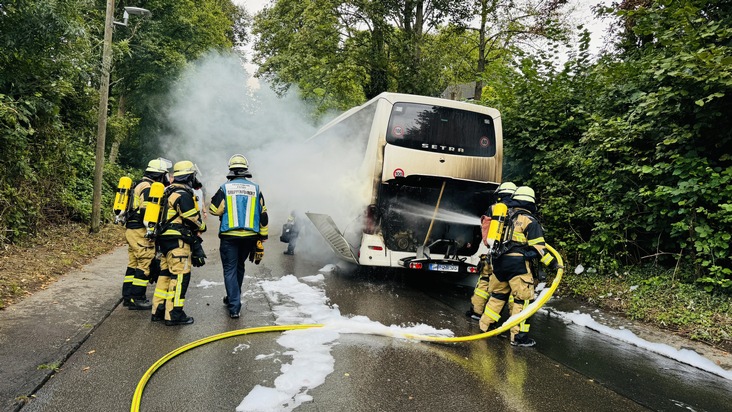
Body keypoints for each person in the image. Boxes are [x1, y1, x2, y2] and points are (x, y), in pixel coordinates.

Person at [478, 186, 560, 347]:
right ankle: (519, 337)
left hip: (498, 263)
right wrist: (555, 265)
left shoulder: (505, 217)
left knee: (497, 295)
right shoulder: (530, 221)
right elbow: (539, 249)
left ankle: (485, 326)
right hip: (518, 266)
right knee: (522, 301)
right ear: (531, 203)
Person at [209, 154, 269, 319]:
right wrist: (263, 236)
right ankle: (232, 297)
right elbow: (263, 214)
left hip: (229, 236)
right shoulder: (256, 189)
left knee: (230, 269)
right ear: (246, 169)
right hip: (250, 236)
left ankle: (234, 306)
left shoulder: (225, 188)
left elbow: (214, 210)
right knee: (239, 266)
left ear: (231, 170)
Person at [151, 160, 207, 326]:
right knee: (181, 276)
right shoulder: (182, 194)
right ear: (189, 176)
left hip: (164, 240)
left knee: (165, 275)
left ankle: (158, 310)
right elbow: (192, 219)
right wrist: (203, 226)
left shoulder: (167, 190)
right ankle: (174, 314)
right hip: (178, 242)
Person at [122, 158, 170, 310]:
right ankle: (137, 298)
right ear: (159, 175)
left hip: (131, 229)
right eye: (164, 175)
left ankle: (128, 297)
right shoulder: (149, 188)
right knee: (145, 262)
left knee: (133, 263)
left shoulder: (138, 184)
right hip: (140, 231)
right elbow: (147, 211)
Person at [466, 182, 517, 320]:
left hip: (493, 255)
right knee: (512, 291)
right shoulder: (520, 211)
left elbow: (486, 234)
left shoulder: (494, 209)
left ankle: (477, 312)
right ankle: (513, 320)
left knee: (484, 282)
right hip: (514, 258)